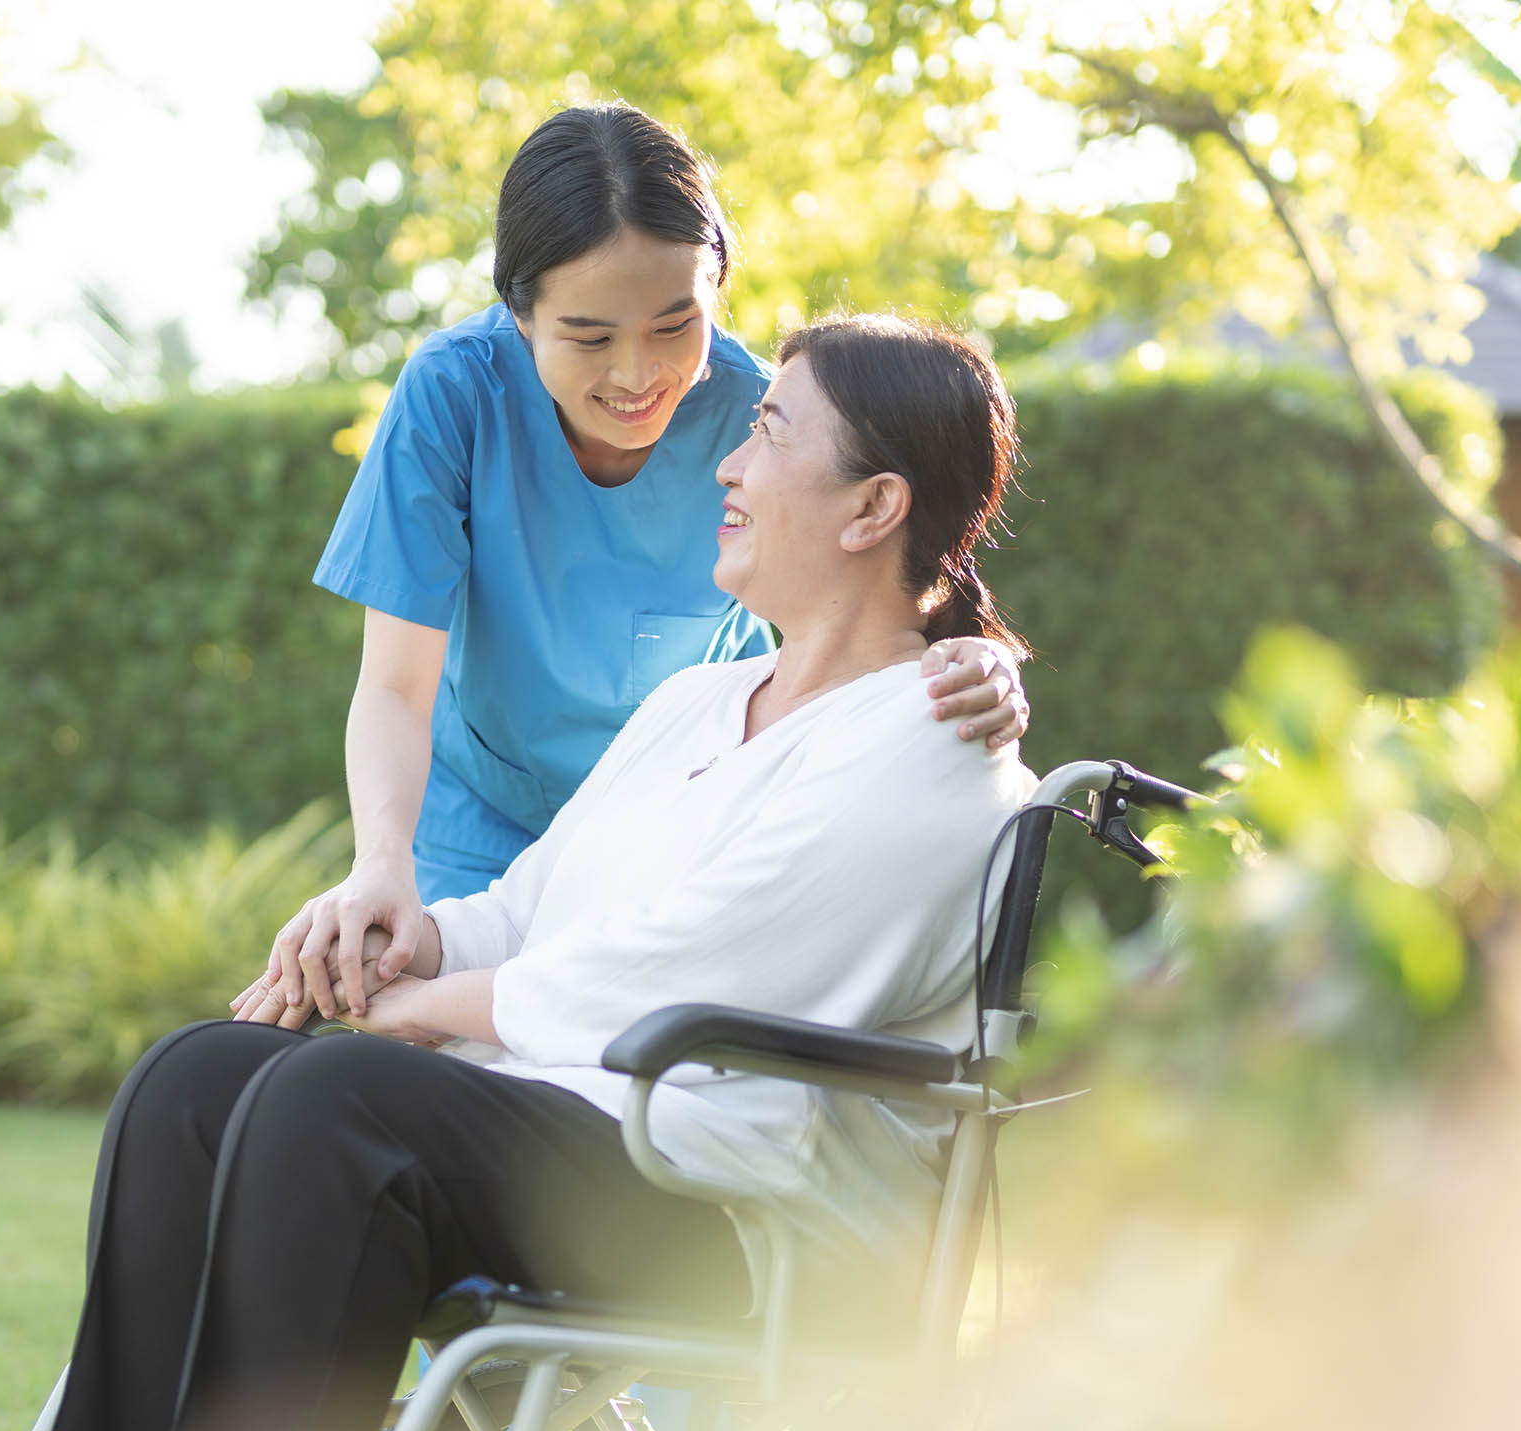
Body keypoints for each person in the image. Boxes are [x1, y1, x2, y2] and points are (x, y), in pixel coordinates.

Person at [0, 315, 1038, 1431]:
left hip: (734, 1206)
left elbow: (685, 973)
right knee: (199, 1078)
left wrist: (432, 1017)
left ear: (876, 505)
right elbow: (538, 909)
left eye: (769, 432)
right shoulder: (699, 704)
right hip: (588, 1137)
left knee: (345, 1098)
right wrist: (408, 940)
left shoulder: (932, 742)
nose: (726, 463)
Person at [231, 102, 1028, 1032]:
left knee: (564, 1073)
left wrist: (972, 659)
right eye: (589, 336)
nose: (639, 374)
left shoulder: (757, 411)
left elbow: (857, 606)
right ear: (519, 313)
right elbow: (398, 689)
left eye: (673, 323)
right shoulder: (453, 394)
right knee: (395, 1064)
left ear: (716, 288)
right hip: (481, 821)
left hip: (672, 828)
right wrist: (380, 866)